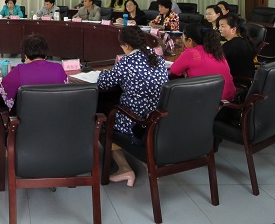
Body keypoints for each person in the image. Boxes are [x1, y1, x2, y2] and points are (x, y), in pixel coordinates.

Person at [97, 26, 169, 187]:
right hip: (157, 119)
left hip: (136, 121)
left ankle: (124, 168)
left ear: (127, 45)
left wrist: (104, 72)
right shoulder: (158, 59)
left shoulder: (127, 62)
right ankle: (148, 163)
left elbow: (103, 83)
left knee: (104, 122)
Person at [0, 34, 67, 109]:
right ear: (46, 54)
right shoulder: (58, 68)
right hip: (55, 114)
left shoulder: (20, 69)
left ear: (25, 55)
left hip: (27, 115)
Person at [170, 23, 235, 101]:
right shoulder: (216, 50)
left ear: (190, 40)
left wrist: (185, 71)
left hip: (207, 101)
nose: (182, 39)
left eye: (183, 37)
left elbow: (174, 70)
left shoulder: (192, 52)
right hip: (228, 98)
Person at [219, 14, 256, 80]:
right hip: (249, 78)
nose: (219, 29)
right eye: (219, 26)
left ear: (233, 29)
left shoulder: (230, 45)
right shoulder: (244, 40)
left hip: (238, 80)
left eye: (222, 26)